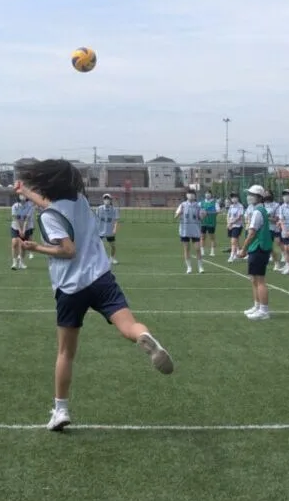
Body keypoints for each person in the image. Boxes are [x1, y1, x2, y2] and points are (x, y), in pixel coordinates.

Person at [14, 159, 173, 432]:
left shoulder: (49, 217)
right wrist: (27, 193)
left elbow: (67, 250)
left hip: (70, 287)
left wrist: (36, 248)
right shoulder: (80, 200)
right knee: (129, 325)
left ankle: (61, 410)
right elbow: (50, 204)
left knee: (65, 352)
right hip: (101, 278)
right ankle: (144, 337)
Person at [238, 185, 273, 320]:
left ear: (258, 197)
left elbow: (252, 233)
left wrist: (243, 249)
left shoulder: (258, 211)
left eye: (251, 194)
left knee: (260, 280)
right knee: (254, 279)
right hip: (256, 248)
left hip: (259, 248)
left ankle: (264, 310)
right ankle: (257, 305)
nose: (249, 196)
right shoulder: (257, 210)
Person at [175, 189, 203, 273]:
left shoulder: (198, 206)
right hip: (185, 230)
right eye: (189, 194)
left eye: (192, 194)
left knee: (198, 248)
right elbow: (175, 216)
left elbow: (201, 217)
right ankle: (189, 267)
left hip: (195, 230)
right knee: (186, 249)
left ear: (195, 196)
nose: (191, 195)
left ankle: (200, 267)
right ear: (186, 195)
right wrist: (179, 213)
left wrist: (203, 215)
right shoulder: (182, 205)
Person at [10, 192, 35, 270]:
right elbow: (15, 219)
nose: (23, 196)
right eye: (21, 195)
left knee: (23, 245)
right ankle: (14, 263)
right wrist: (20, 230)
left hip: (26, 228)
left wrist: (23, 230)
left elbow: (26, 220)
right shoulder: (15, 206)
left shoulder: (30, 206)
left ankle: (21, 262)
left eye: (24, 195)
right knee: (14, 243)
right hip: (15, 227)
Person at [95, 194, 119, 264]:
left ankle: (112, 258)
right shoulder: (99, 208)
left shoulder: (114, 210)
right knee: (99, 246)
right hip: (100, 231)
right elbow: (96, 219)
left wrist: (115, 228)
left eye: (108, 198)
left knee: (112, 246)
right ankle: (99, 259)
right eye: (105, 198)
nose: (106, 200)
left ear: (110, 200)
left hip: (109, 231)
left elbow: (116, 221)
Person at [225, 192, 245, 263]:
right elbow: (228, 215)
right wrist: (228, 223)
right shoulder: (231, 206)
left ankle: (231, 256)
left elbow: (239, 217)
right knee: (235, 241)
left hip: (237, 225)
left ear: (238, 198)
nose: (233, 199)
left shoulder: (240, 206)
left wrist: (231, 222)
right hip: (231, 225)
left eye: (235, 197)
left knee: (233, 241)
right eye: (232, 197)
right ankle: (238, 253)